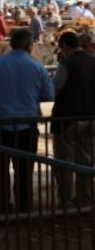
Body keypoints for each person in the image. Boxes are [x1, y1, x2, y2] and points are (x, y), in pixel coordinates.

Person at [0, 28, 54, 213]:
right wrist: (31, 97)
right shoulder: (37, 67)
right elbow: (49, 95)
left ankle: (1, 206)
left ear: (11, 44)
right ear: (29, 45)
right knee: (24, 169)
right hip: (27, 125)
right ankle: (24, 205)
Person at [51, 30, 95, 207]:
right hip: (91, 117)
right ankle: (85, 197)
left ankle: (66, 200)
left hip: (68, 119)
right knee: (86, 160)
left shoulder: (66, 64)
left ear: (65, 46)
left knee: (65, 162)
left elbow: (54, 90)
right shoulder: (93, 61)